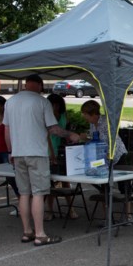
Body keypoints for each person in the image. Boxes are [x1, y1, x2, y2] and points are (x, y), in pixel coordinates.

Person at [2, 74, 81, 246]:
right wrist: (70, 134)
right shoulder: (42, 102)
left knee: (23, 193)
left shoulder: (10, 102)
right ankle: (40, 234)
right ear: (38, 85)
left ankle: (27, 231)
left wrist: (10, 151)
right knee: (38, 193)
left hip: (18, 153)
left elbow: (6, 131)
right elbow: (53, 129)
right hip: (37, 153)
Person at [45, 93, 77, 221]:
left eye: (57, 105)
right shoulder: (46, 117)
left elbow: (66, 131)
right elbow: (47, 137)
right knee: (50, 182)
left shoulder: (63, 115)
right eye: (53, 105)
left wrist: (69, 139)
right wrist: (52, 155)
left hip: (63, 150)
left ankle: (71, 208)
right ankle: (50, 210)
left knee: (65, 181)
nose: (55, 107)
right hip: (49, 151)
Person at [78, 100, 127, 164]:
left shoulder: (106, 123)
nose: (83, 116)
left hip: (118, 158)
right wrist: (84, 137)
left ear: (93, 114)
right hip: (106, 159)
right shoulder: (92, 123)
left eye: (85, 114)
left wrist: (106, 159)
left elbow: (113, 142)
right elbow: (95, 138)